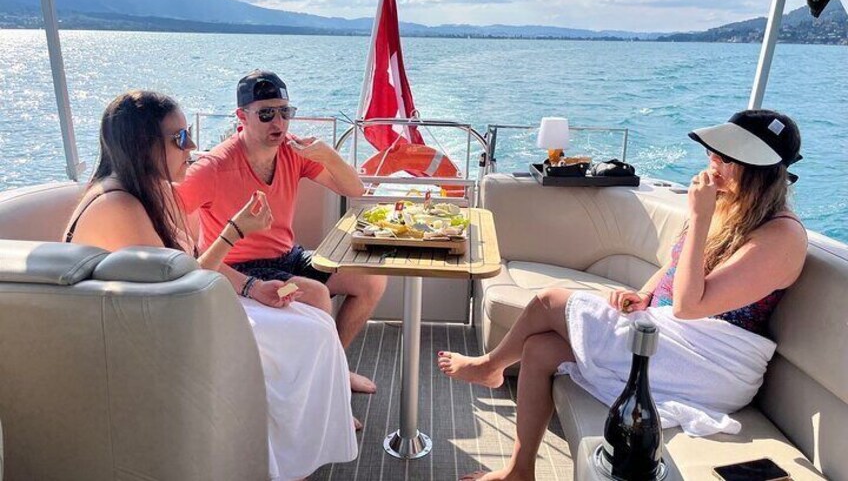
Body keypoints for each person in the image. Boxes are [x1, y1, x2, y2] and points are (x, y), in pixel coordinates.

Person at [438, 109, 808, 481]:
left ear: (760, 171)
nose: (713, 160)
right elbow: (678, 268)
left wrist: (699, 218)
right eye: (714, 151)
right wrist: (644, 295)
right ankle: (520, 470)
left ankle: (490, 367)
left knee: (550, 301)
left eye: (727, 157)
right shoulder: (732, 210)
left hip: (710, 364)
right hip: (673, 338)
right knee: (538, 350)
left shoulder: (782, 238)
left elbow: (690, 305)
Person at [64, 90, 357, 481]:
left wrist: (252, 286)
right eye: (181, 138)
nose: (193, 145)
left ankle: (284, 457)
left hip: (171, 317)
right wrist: (234, 232)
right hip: (147, 341)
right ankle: (280, 463)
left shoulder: (148, 192)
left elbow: (183, 269)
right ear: (143, 144)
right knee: (307, 338)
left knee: (316, 326)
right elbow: (181, 288)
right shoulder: (119, 206)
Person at [177, 70, 387, 394]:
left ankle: (335, 368)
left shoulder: (292, 152)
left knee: (370, 279)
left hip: (287, 256)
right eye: (266, 113)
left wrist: (327, 154)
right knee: (315, 295)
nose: (278, 123)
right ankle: (324, 391)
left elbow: (354, 187)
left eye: (284, 112)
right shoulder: (213, 168)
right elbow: (170, 224)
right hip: (239, 268)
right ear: (242, 117)